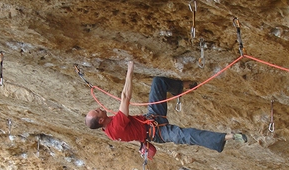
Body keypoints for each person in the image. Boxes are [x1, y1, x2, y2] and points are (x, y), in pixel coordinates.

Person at [85, 61, 247, 158]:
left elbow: (129, 134)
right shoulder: (115, 127)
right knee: (188, 135)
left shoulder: (107, 129)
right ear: (100, 120)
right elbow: (126, 96)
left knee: (158, 83)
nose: (99, 108)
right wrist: (130, 69)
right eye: (97, 111)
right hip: (159, 133)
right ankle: (228, 137)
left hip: (153, 117)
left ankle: (181, 87)